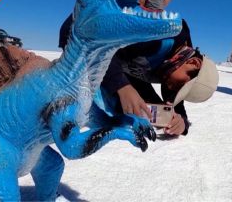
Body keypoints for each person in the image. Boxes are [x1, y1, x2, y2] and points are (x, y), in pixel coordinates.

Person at [59, 19, 219, 136]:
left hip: (118, 64)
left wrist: (181, 122)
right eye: (179, 85)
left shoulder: (178, 61)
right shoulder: (161, 35)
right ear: (193, 62)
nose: (170, 88)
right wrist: (122, 87)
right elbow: (97, 42)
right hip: (81, 33)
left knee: (139, 105)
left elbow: (174, 102)